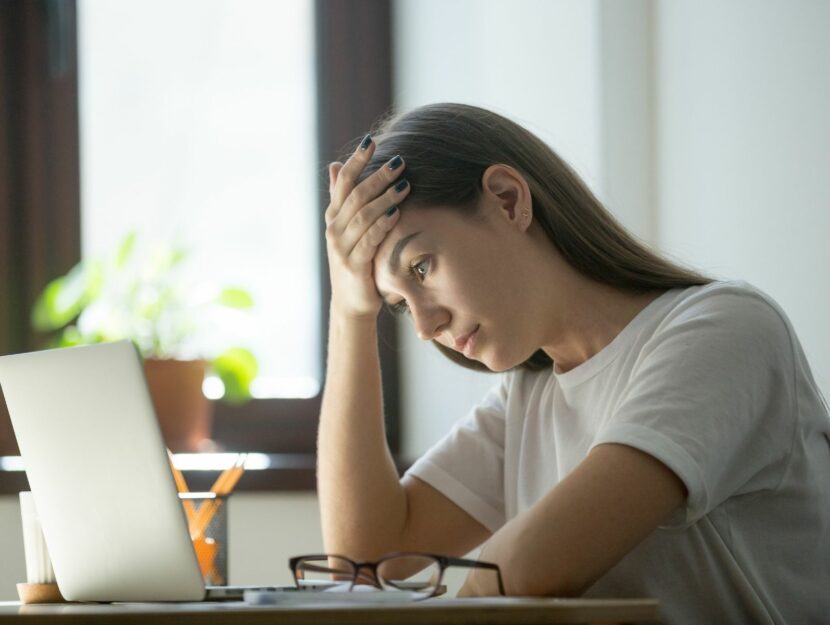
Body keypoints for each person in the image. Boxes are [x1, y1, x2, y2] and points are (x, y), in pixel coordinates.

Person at [317, 102, 830, 624]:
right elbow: (364, 558)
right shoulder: (530, 394)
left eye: (421, 267)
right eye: (399, 305)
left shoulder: (726, 330)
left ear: (507, 199)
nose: (425, 327)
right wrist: (350, 311)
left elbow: (533, 565)